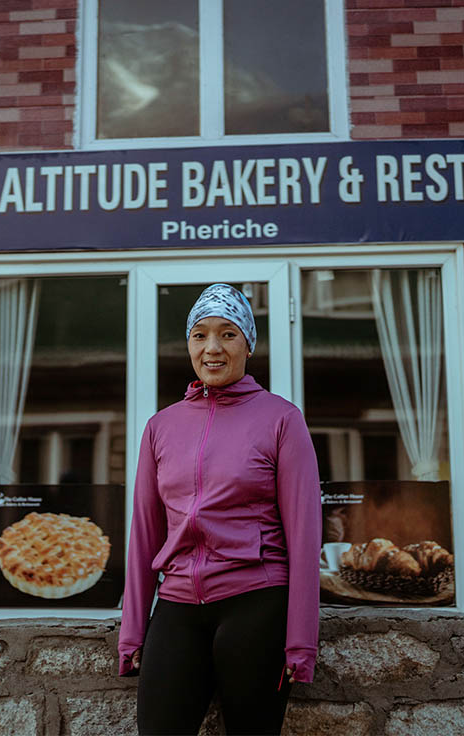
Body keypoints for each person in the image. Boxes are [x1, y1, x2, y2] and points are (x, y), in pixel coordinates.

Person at [118, 283, 321, 736]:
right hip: (176, 607)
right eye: (200, 335)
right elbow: (145, 532)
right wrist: (132, 630)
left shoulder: (281, 419)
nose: (212, 348)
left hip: (257, 604)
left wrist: (301, 643)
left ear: (248, 344)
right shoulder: (160, 426)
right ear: (188, 343)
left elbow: (305, 536)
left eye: (227, 334)